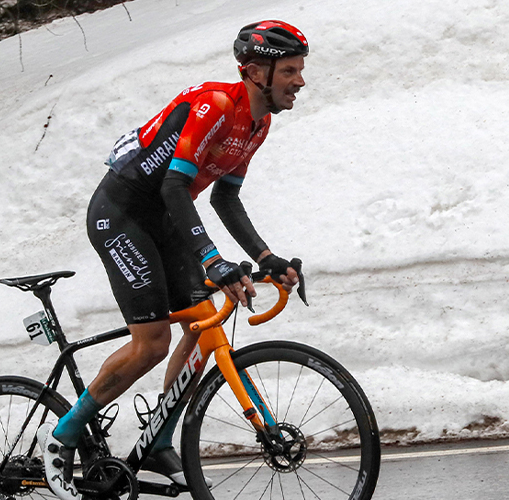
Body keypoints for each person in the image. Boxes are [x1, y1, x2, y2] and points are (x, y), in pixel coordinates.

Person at [37, 20, 308, 500]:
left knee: (204, 326)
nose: (300, 81)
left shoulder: (257, 123)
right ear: (255, 72)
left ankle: (160, 440)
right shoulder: (217, 105)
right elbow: (172, 184)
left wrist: (266, 258)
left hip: (164, 216)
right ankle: (62, 436)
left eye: (299, 70)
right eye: (290, 70)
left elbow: (225, 199)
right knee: (152, 342)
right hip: (121, 214)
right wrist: (213, 260)